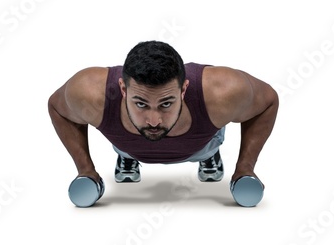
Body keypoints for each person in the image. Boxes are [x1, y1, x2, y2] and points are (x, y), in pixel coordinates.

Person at [48, 40, 279, 192]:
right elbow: (57, 108)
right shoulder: (90, 92)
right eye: (141, 103)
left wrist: (245, 169)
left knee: (207, 142)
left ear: (184, 89)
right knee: (125, 144)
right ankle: (127, 156)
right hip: (126, 145)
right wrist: (85, 170)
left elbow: (267, 102)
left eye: (166, 103)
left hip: (202, 144)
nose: (154, 120)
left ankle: (209, 156)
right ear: (123, 89)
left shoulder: (222, 91)